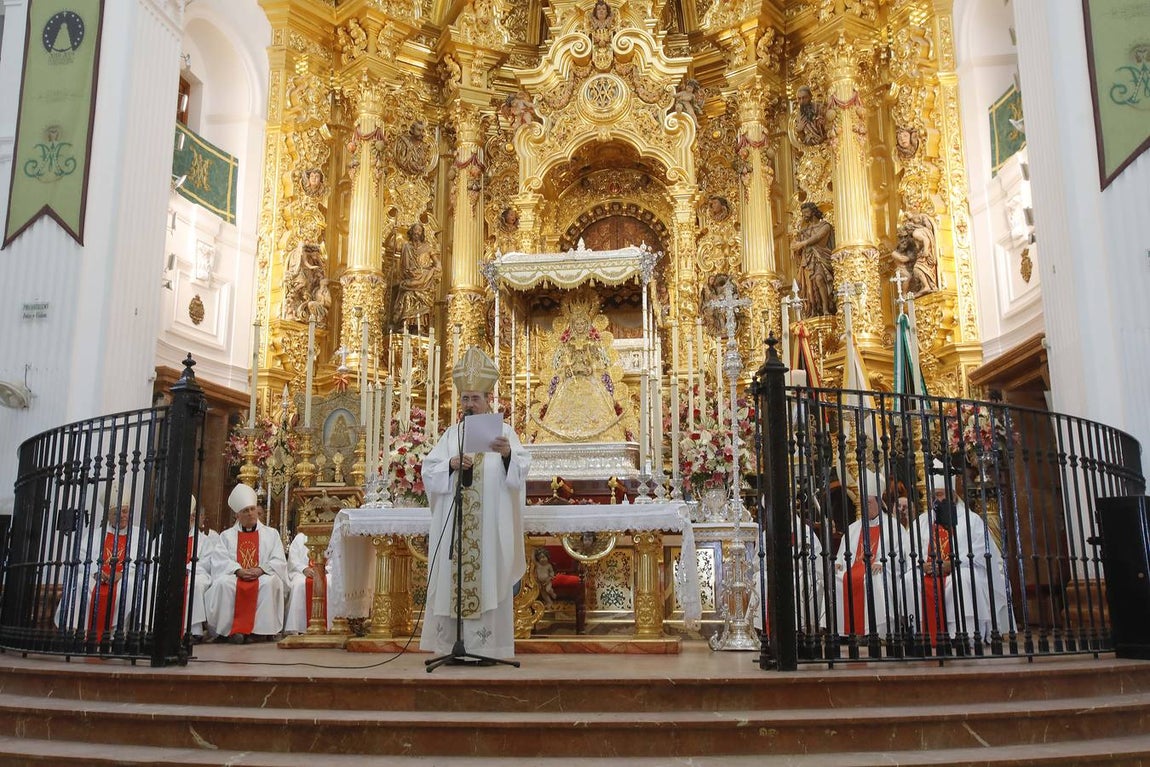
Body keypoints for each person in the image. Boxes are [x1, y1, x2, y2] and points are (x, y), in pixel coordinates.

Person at [420, 346, 530, 660]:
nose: (469, 404)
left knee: (489, 579)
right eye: (465, 398)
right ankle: (454, 647)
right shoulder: (451, 435)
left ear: (488, 399)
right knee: (453, 580)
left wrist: (507, 455)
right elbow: (429, 470)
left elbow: (521, 470)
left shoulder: (504, 433)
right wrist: (450, 465)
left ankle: (487, 647)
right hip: (456, 530)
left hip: (489, 530)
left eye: (475, 398)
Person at [905, 459, 1012, 647]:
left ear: (952, 495)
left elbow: (981, 553)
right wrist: (922, 564)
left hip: (960, 569)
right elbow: (909, 550)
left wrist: (953, 564)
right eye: (933, 496)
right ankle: (919, 633)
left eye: (939, 495)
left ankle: (963, 634)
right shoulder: (921, 522)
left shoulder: (971, 520)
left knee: (962, 579)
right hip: (929, 570)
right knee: (909, 579)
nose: (935, 500)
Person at [55, 480, 144, 641]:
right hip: (98, 577)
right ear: (109, 515)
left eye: (125, 511)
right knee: (79, 581)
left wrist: (122, 573)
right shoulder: (96, 534)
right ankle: (77, 631)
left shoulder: (139, 534)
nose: (122, 516)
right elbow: (82, 557)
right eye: (117, 513)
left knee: (130, 585)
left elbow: (143, 560)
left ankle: (118, 633)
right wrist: (96, 572)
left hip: (123, 577)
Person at [204, 484, 288, 643]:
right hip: (236, 575)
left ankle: (260, 632)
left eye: (252, 509)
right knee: (223, 584)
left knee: (270, 582)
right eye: (245, 511)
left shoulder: (271, 534)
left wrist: (261, 569)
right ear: (237, 515)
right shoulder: (226, 536)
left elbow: (278, 560)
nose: (250, 513)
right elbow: (220, 561)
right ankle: (229, 631)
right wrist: (237, 570)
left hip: (261, 575)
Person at [834, 470, 911, 638]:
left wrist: (883, 562)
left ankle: (877, 631)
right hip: (855, 569)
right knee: (837, 578)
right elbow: (842, 553)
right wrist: (839, 562)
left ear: (878, 502)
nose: (864, 507)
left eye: (868, 503)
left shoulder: (893, 526)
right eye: (862, 503)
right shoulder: (853, 528)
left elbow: (902, 554)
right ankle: (843, 631)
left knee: (874, 578)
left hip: (882, 570)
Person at [392, 222, 441, 330]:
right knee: (407, 295)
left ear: (422, 233)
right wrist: (393, 234)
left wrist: (433, 270)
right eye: (415, 230)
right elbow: (394, 249)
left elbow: (438, 264)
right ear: (411, 232)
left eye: (419, 230)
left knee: (423, 299)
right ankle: (405, 324)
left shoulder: (428, 247)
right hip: (411, 278)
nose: (417, 232)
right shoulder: (406, 246)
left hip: (424, 280)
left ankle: (421, 326)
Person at [791, 202, 836, 317]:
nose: (804, 215)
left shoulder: (825, 226)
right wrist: (794, 244)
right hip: (807, 260)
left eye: (806, 212)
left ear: (813, 212)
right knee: (809, 287)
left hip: (821, 257)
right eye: (803, 213)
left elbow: (817, 237)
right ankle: (814, 310)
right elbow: (795, 246)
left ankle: (826, 308)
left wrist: (802, 243)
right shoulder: (803, 231)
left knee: (819, 279)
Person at [284, 531, 329, 634]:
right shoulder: (300, 537)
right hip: (303, 573)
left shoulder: (332, 536)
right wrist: (304, 569)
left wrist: (325, 569)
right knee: (299, 585)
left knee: (330, 584)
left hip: (326, 572)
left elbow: (338, 558)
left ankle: (329, 626)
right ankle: (298, 627)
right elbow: (293, 559)